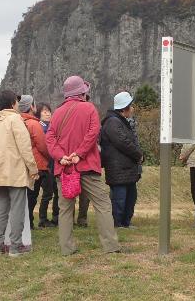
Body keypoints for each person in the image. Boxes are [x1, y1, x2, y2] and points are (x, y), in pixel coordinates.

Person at [46, 75, 120, 255]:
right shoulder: (89, 108)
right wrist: (79, 154)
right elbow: (93, 133)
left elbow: (49, 138)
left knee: (65, 209)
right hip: (86, 165)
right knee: (102, 204)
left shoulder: (56, 113)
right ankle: (110, 246)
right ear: (82, 92)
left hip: (64, 168)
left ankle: (66, 248)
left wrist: (61, 156)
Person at [0, 90, 39, 257]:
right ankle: (16, 246)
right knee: (17, 209)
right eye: (16, 101)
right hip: (15, 170)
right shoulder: (15, 119)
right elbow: (25, 148)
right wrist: (33, 169)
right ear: (12, 103)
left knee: (1, 208)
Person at [100, 92, 143, 228]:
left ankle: (126, 222)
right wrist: (139, 154)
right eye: (131, 106)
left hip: (127, 168)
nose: (133, 108)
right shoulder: (112, 121)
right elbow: (123, 142)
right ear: (124, 107)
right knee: (120, 199)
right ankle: (118, 224)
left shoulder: (120, 121)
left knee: (131, 197)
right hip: (118, 168)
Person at [19, 96, 55, 229]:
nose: (47, 113)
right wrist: (52, 157)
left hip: (29, 163)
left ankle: (29, 221)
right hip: (40, 164)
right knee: (41, 193)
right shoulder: (34, 124)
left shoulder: (20, 121)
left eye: (48, 111)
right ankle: (40, 219)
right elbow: (42, 146)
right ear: (33, 108)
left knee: (32, 194)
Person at [35, 102, 59, 226]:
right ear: (38, 113)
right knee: (47, 193)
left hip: (55, 164)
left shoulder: (52, 126)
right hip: (45, 165)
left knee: (57, 192)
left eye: (49, 111)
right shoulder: (40, 126)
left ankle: (56, 217)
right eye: (44, 111)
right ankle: (43, 219)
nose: (47, 113)